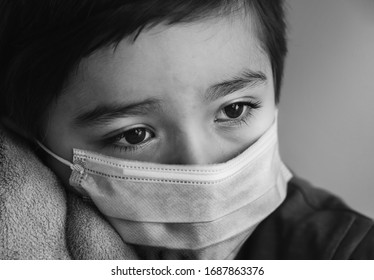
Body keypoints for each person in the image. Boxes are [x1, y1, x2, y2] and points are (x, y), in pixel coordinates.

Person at [0, 0, 373, 260]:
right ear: (28, 138)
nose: (200, 170)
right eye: (134, 135)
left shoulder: (348, 253)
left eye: (234, 109)